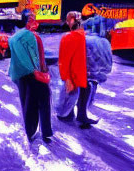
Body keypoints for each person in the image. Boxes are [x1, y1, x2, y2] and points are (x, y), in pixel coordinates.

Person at [8, 10, 53, 143]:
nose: (35, 20)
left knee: (27, 103)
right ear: (27, 20)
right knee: (44, 101)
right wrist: (41, 70)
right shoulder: (32, 36)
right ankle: (46, 133)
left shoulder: (14, 37)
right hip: (34, 74)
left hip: (21, 76)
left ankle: (30, 131)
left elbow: (14, 58)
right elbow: (38, 56)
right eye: (32, 18)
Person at [57, 11, 97, 129]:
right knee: (76, 94)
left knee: (82, 92)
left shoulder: (74, 37)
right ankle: (71, 115)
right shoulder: (79, 37)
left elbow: (63, 60)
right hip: (77, 74)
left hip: (80, 74)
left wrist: (66, 78)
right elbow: (64, 60)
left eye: (69, 20)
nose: (68, 22)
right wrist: (67, 78)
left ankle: (78, 115)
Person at [85, 30, 113, 114]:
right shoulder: (104, 42)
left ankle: (87, 104)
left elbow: (88, 55)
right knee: (93, 83)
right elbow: (108, 57)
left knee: (89, 84)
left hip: (91, 67)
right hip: (100, 67)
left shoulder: (87, 39)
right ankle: (89, 102)